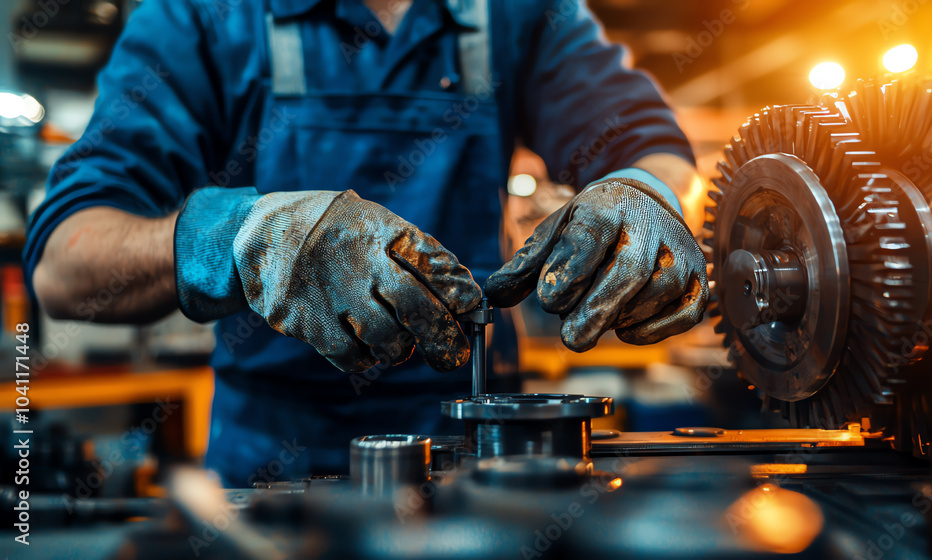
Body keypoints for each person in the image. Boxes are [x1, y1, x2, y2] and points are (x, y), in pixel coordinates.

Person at [25, 0, 708, 487]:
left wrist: (643, 195)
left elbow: (647, 144)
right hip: (277, 469)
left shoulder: (518, 13)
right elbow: (64, 262)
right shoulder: (204, 17)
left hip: (491, 455)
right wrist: (243, 236)